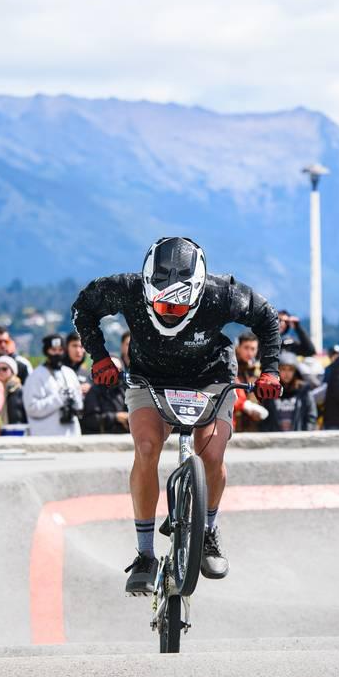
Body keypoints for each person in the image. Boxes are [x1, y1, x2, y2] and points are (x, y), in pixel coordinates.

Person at [71, 236, 281, 593]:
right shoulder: (126, 288)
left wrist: (271, 370)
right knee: (148, 448)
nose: (170, 313)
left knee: (212, 452)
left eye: (179, 308)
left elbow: (268, 318)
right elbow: (83, 309)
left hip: (211, 378)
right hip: (148, 377)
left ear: (198, 294)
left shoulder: (223, 293)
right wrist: (100, 357)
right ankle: (144, 554)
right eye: (163, 306)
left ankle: (209, 532)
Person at [22, 333, 83, 437]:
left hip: (71, 433)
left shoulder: (69, 373)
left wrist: (74, 400)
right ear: (46, 352)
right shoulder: (35, 376)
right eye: (53, 350)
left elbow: (80, 405)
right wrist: (59, 399)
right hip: (46, 436)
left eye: (60, 350)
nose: (57, 353)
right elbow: (31, 408)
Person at [261, 352, 318, 432]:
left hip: (298, 440)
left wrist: (306, 437)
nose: (287, 373)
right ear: (278, 371)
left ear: (295, 372)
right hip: (275, 440)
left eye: (290, 370)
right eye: (283, 369)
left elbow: (311, 417)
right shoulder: (270, 391)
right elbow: (265, 418)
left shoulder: (304, 390)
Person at [83, 357, 129, 434]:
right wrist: (115, 417)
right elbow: (90, 420)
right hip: (102, 440)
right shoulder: (94, 391)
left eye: (118, 370)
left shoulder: (125, 390)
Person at [233, 331, 267, 431]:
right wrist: (244, 405)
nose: (249, 352)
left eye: (253, 349)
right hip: (233, 420)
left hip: (253, 423)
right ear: (238, 347)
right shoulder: (230, 367)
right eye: (246, 348)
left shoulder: (257, 370)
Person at [0, 355, 28, 428]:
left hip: (17, 430)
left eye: (4, 369)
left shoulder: (20, 390)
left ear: (12, 371)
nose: (0, 372)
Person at [63, 332, 93, 396]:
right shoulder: (58, 371)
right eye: (74, 345)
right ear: (66, 347)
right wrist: (76, 390)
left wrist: (91, 390)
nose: (78, 350)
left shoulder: (87, 374)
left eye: (81, 347)